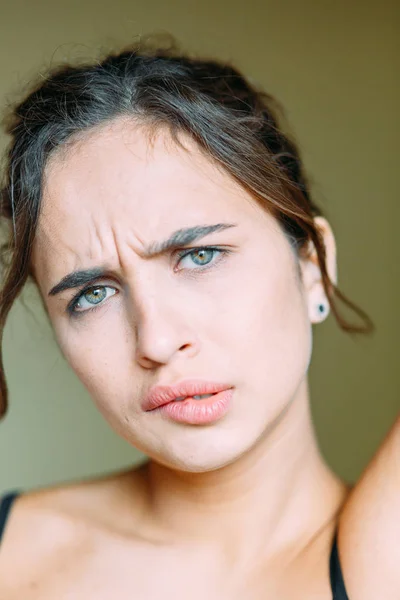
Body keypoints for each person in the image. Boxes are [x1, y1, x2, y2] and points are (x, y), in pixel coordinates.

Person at [0, 35, 397, 599]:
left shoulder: (381, 561)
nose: (157, 340)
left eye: (198, 255)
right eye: (93, 294)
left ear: (313, 265)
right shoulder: (12, 553)